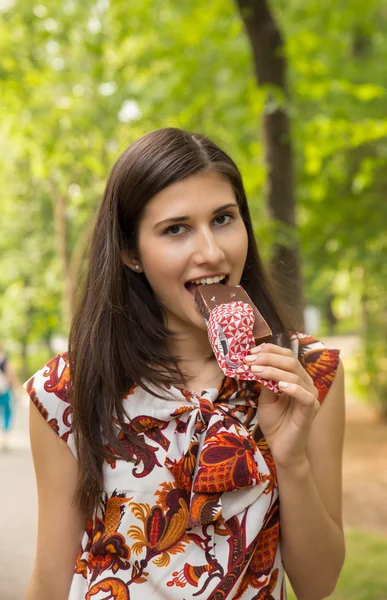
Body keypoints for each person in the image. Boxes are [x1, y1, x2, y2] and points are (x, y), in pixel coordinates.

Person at [24, 128, 345, 600]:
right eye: (176, 229)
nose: (212, 253)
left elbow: (319, 586)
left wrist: (290, 459)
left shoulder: (305, 375)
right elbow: (50, 581)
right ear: (132, 252)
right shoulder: (67, 390)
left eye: (223, 219)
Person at [0, 345, 16, 451]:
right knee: (7, 412)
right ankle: (4, 436)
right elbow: (10, 375)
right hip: (4, 389)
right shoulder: (4, 359)